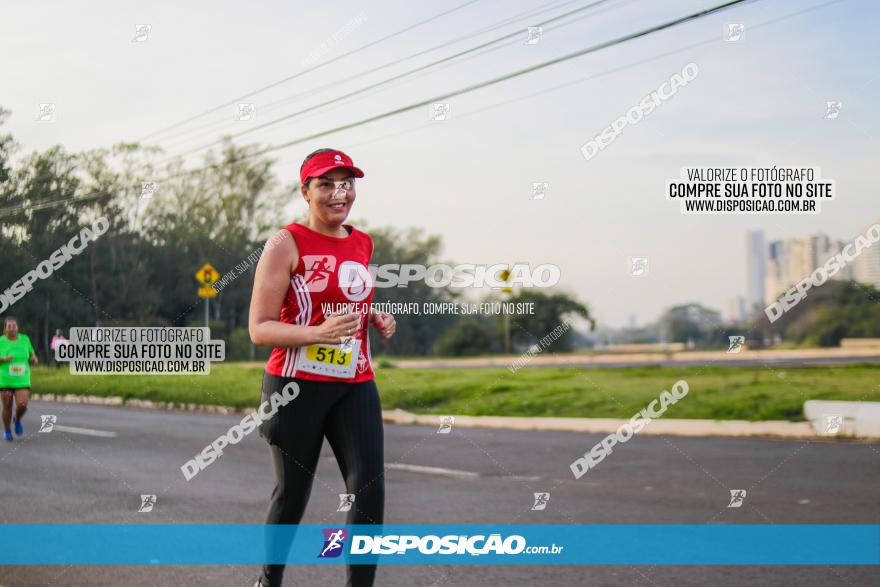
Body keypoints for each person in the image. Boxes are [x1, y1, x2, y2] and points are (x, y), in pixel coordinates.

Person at [249, 148, 396, 587]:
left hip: (354, 382)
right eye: (327, 184)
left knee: (369, 490)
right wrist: (318, 333)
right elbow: (260, 328)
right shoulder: (284, 243)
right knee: (292, 494)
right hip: (294, 386)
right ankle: (269, 580)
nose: (339, 193)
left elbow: (344, 301)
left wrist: (373, 316)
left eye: (346, 183)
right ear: (305, 191)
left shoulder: (362, 241)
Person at [0, 317, 38, 441]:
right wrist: (4, 359)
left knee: (22, 404)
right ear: (5, 329)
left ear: (17, 327)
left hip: (22, 378)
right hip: (5, 379)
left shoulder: (25, 339)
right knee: (7, 405)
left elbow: (31, 353)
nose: (12, 329)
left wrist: (34, 358)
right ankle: (7, 430)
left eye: (14, 326)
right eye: (9, 326)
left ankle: (17, 418)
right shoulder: (1, 341)